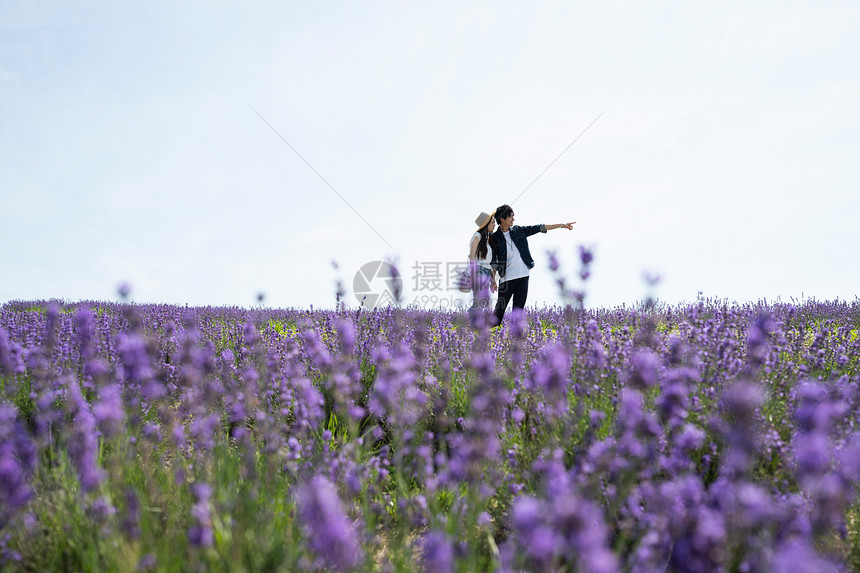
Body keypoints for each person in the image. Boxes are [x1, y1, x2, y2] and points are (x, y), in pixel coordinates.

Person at [489, 204, 575, 326]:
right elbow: (494, 261)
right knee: (499, 311)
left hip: (523, 276)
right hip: (506, 279)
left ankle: (514, 340)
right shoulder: (495, 238)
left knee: (518, 311)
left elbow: (539, 227)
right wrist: (493, 279)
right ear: (502, 219)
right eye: (511, 217)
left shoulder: (519, 230)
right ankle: (489, 337)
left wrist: (561, 225)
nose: (513, 219)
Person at [468, 211, 498, 325]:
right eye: (492, 223)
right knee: (479, 302)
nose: (494, 225)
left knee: (483, 301)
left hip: (486, 271)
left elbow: (488, 263)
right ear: (486, 224)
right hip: (478, 270)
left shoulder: (487, 240)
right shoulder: (477, 236)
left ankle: (473, 325)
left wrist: (493, 281)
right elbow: (472, 256)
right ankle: (470, 323)